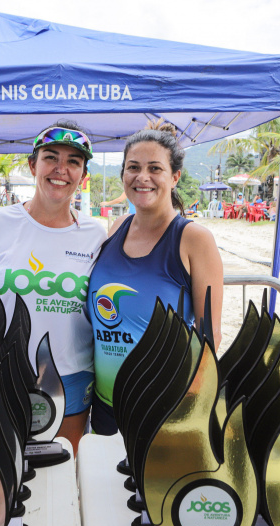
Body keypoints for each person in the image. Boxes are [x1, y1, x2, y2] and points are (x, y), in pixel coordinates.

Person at [0, 120, 107, 451]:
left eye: (73, 162)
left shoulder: (96, 235)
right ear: (32, 165)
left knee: (63, 477)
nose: (61, 170)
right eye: (51, 158)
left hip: (72, 379)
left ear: (83, 175)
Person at [87, 121, 224, 435]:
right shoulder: (117, 227)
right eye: (133, 167)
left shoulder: (193, 239)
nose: (142, 177)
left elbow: (210, 336)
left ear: (174, 177)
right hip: (105, 404)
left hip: (162, 407)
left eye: (154, 168)